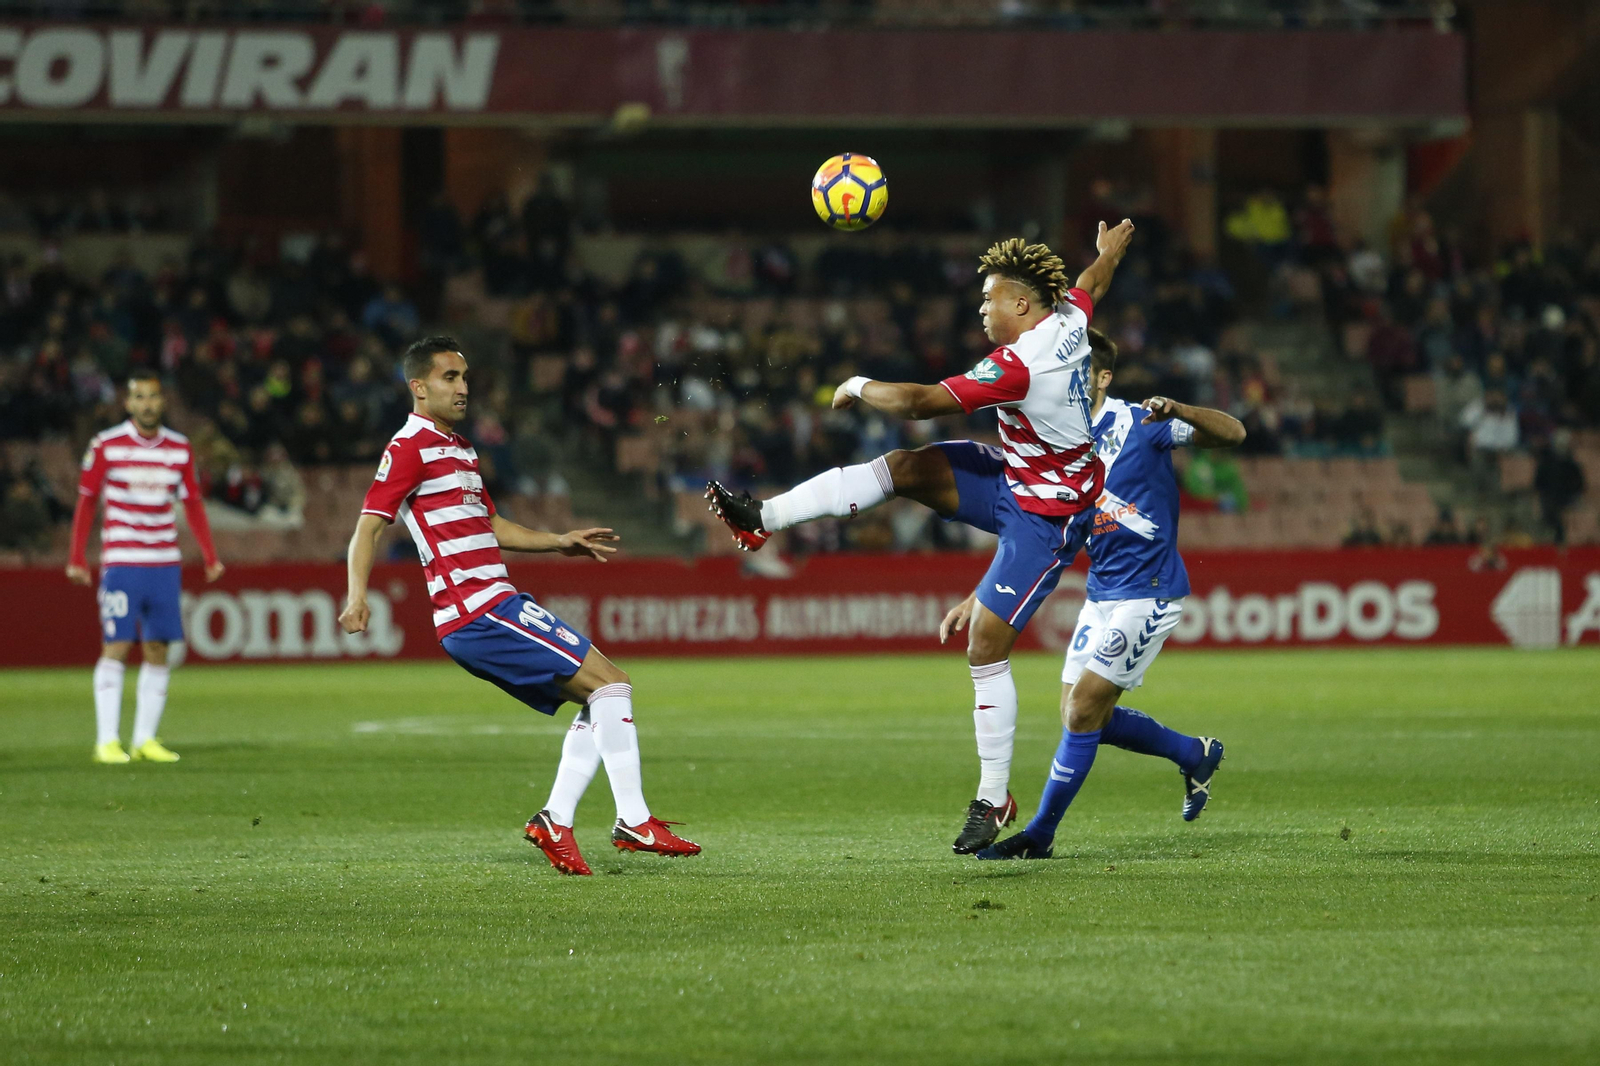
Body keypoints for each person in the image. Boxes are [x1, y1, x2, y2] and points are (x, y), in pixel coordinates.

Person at [706, 223, 1137, 854]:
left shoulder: (1020, 363)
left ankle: (994, 798)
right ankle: (761, 520)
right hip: (1013, 477)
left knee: (986, 642)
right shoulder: (1068, 317)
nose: (981, 309)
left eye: (988, 299)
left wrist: (855, 384)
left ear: (1021, 304)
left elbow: (915, 401)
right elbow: (1089, 284)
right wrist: (1107, 255)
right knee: (906, 470)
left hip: (1049, 516)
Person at [338, 336, 698, 876]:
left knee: (597, 698)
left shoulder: (458, 447)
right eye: (449, 378)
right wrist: (357, 595)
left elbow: (492, 524)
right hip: (478, 610)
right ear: (418, 387)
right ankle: (634, 820)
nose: (463, 387)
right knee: (612, 684)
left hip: (495, 605)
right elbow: (368, 526)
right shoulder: (408, 446)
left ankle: (555, 820)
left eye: (465, 377)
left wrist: (559, 541)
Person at [940, 357, 1244, 859]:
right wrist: (981, 594)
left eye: (1079, 371)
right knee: (1076, 715)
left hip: (1149, 591)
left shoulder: (1142, 424)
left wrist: (1180, 408)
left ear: (1103, 376)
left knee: (1082, 711)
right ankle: (1194, 753)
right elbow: (1029, 531)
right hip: (1100, 595)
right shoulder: (1060, 443)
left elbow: (1233, 433)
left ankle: (1039, 836)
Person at [66, 368, 225, 765]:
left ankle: (144, 739)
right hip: (122, 561)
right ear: (128, 403)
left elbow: (192, 503)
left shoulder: (179, 448)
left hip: (164, 562)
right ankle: (106, 741)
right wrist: (76, 557)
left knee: (158, 648)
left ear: (162, 401)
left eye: (153, 397)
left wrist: (209, 554)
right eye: (139, 398)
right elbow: (86, 501)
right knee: (117, 645)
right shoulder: (106, 445)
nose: (147, 405)